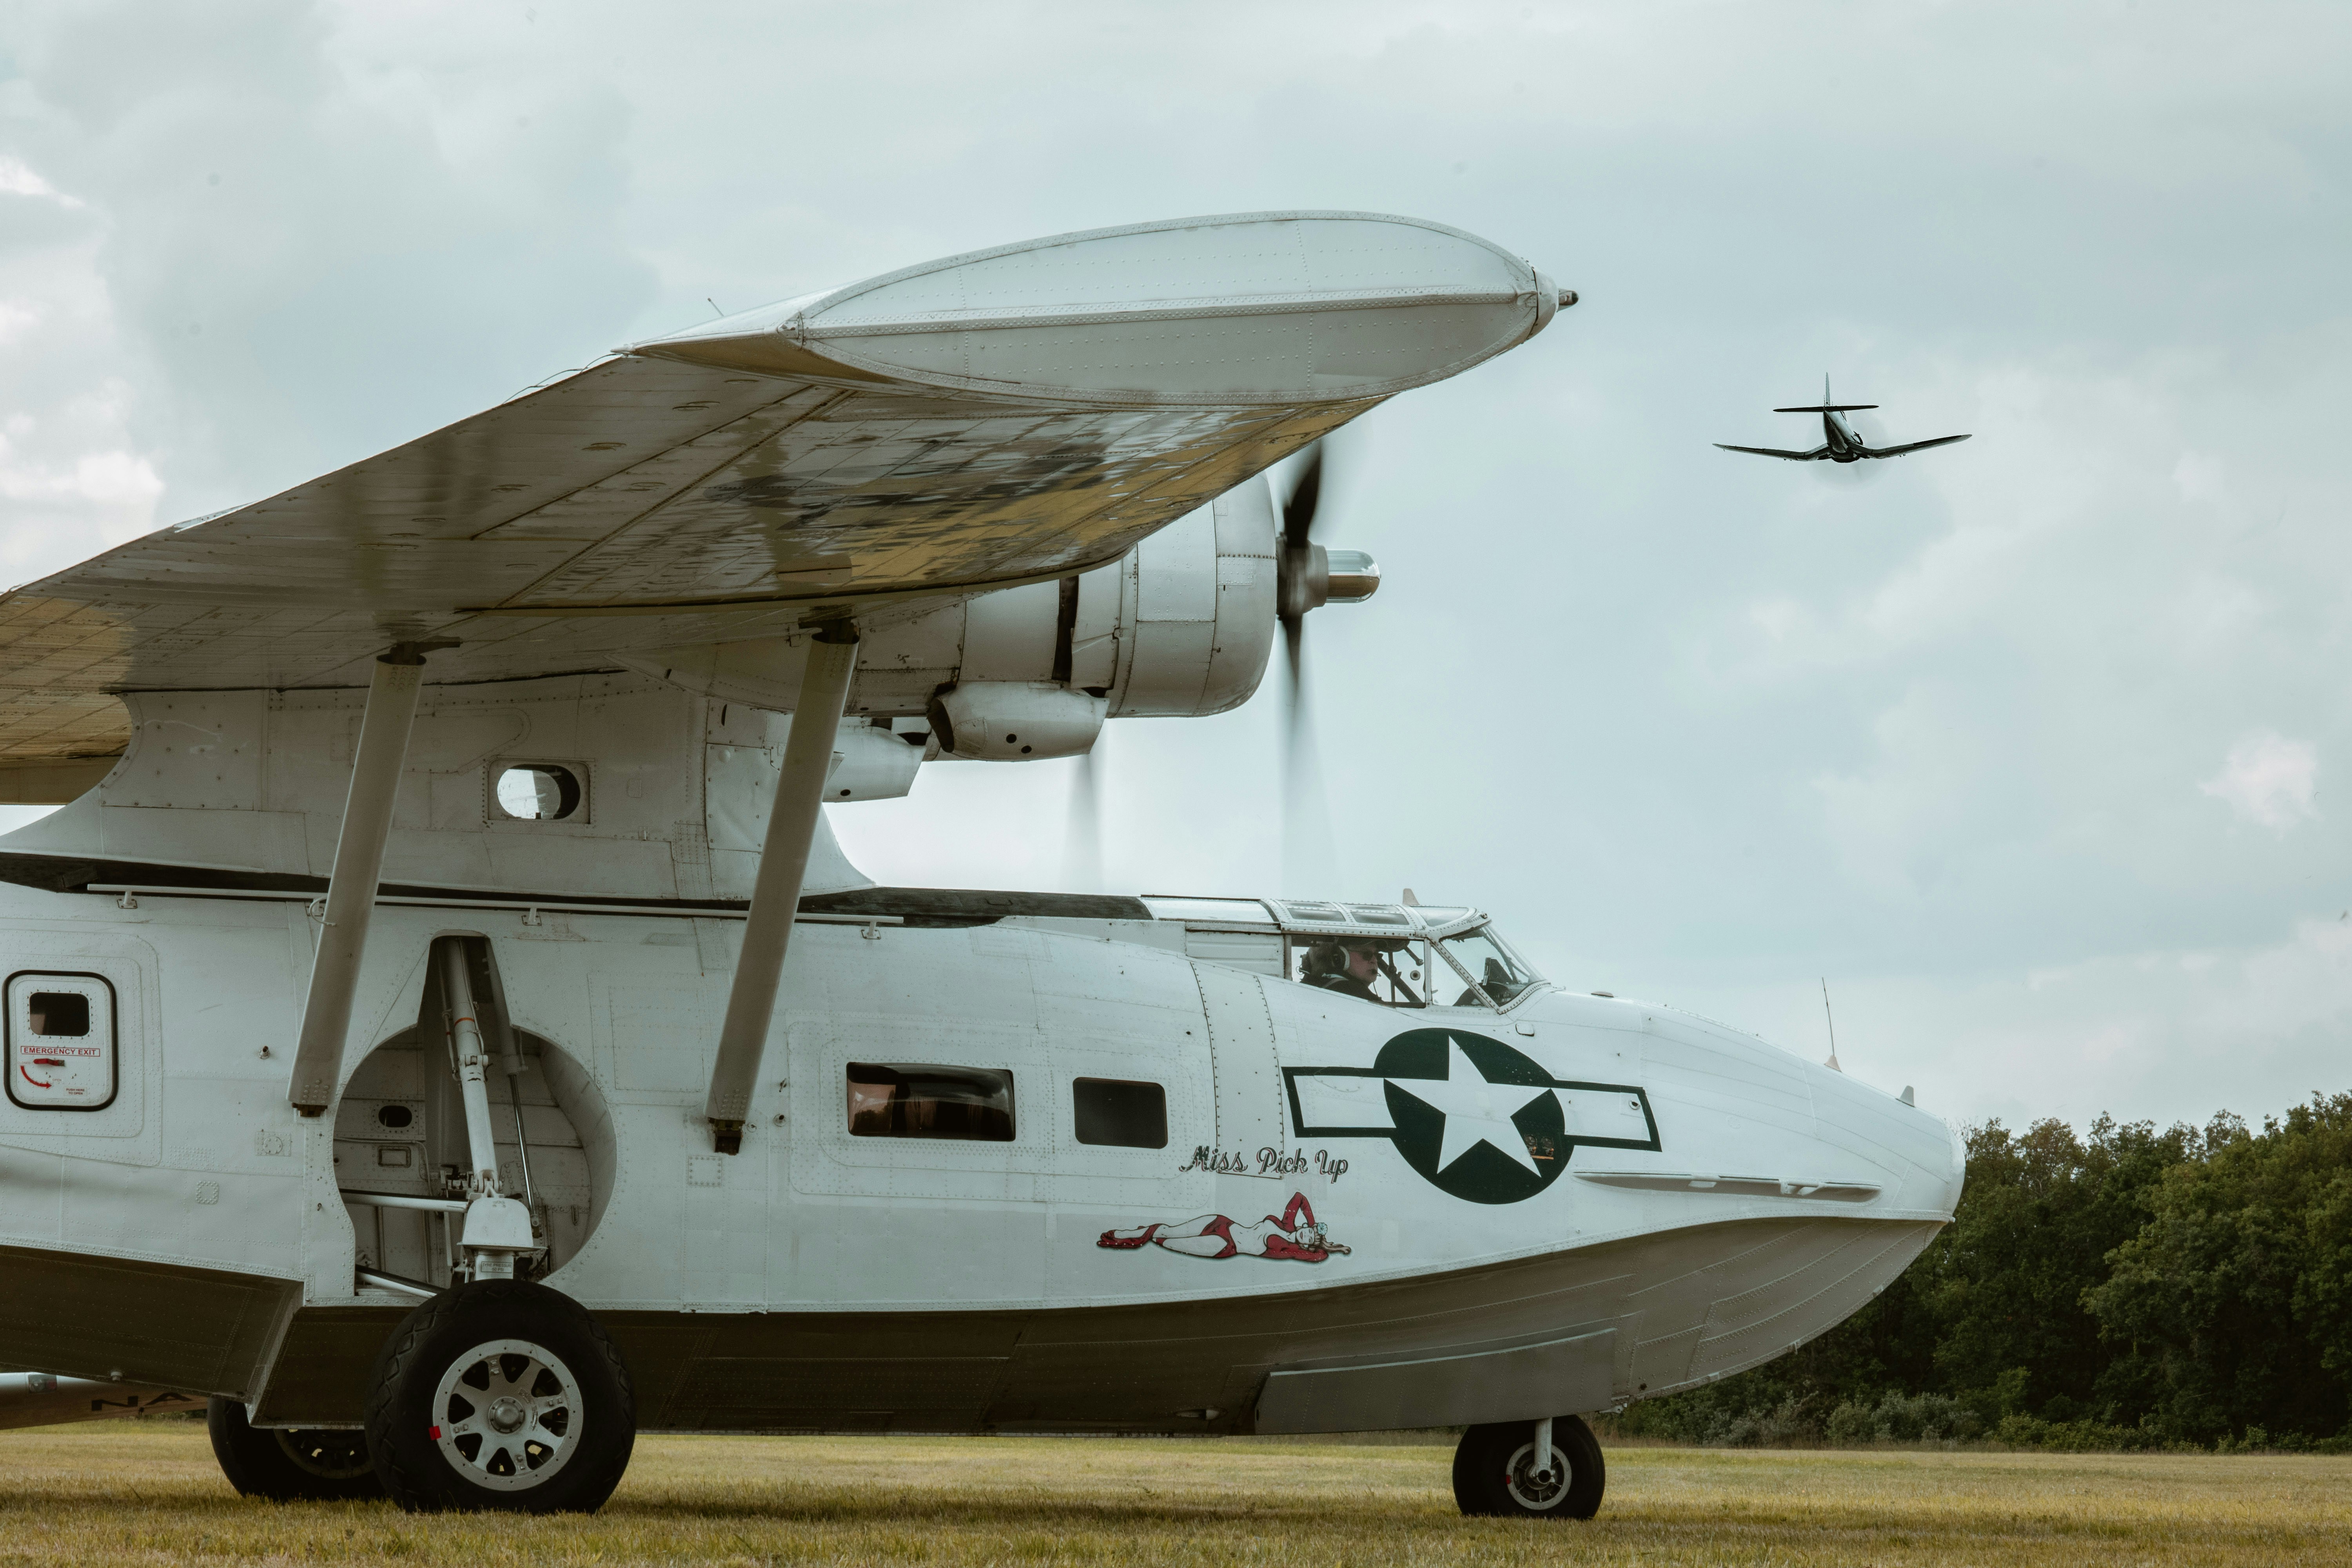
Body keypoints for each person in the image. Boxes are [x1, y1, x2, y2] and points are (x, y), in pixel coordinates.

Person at [1300, 939, 1382, 1004]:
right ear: (1340, 957)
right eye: (1367, 955)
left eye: (1377, 955)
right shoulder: (1356, 993)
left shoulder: (1309, 988)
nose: (1374, 960)